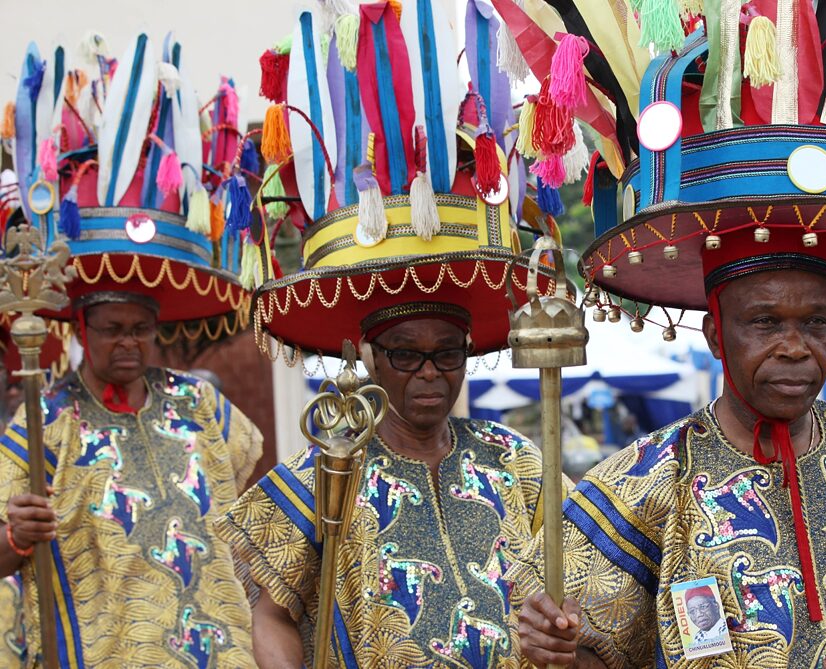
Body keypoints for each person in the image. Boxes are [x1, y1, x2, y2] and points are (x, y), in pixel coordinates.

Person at [494, 0, 826, 665]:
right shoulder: (642, 483)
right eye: (763, 321)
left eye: (814, 321)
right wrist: (555, 648)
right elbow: (593, 652)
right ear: (715, 333)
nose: (794, 346)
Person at [217, 7, 560, 667]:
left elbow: (566, 593)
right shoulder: (320, 475)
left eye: (447, 353)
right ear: (370, 356)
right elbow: (269, 616)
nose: (430, 372)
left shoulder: (519, 464)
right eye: (406, 354)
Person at [0, 32, 260, 667]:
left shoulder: (202, 404)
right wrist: (16, 537)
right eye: (111, 328)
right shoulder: (44, 420)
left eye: (138, 328)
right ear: (81, 330)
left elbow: (249, 506)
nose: (127, 342)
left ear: (155, 329)